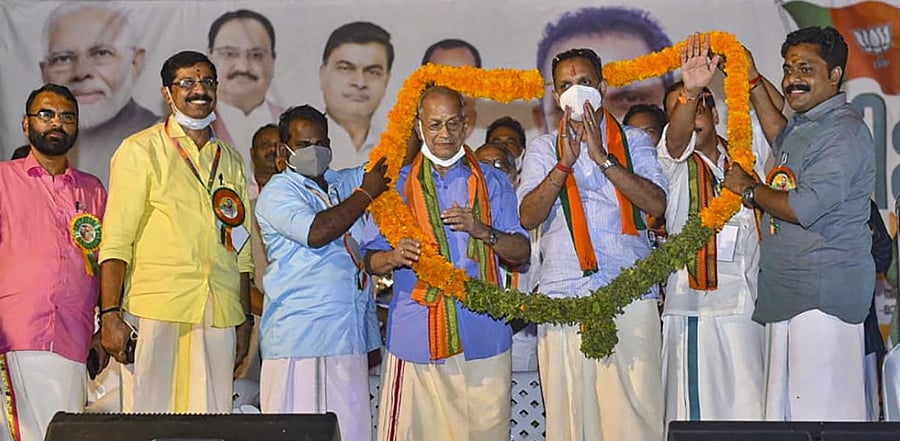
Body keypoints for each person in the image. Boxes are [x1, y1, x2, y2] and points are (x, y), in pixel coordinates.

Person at [723, 26, 875, 421]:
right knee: (787, 418)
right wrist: (752, 79)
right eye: (788, 69)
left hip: (823, 299)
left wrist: (749, 189)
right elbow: (781, 137)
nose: (792, 79)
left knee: (823, 419)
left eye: (805, 69)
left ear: (835, 75)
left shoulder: (843, 132)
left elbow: (804, 206)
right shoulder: (810, 124)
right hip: (791, 293)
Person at [362, 86, 530, 441]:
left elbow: (521, 252)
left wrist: (482, 230)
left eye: (453, 123)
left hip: (483, 334)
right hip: (416, 336)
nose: (444, 134)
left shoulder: (492, 181)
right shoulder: (396, 186)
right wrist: (393, 257)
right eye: (435, 124)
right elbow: (369, 259)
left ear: (466, 125)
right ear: (419, 127)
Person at [517, 48, 667, 441]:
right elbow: (528, 216)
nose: (576, 91)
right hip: (563, 294)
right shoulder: (543, 148)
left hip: (630, 293)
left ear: (602, 87)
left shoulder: (634, 141)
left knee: (634, 421)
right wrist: (563, 164)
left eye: (584, 82)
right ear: (555, 96)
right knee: (571, 421)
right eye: (566, 85)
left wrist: (603, 157)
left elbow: (656, 205)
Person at [98, 51, 254, 413]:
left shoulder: (230, 158)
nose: (199, 90)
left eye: (207, 82)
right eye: (187, 83)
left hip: (219, 309)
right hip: (158, 307)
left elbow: (242, 250)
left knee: (211, 418)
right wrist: (110, 315)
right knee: (153, 417)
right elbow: (117, 241)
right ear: (167, 93)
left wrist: (245, 320)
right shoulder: (140, 150)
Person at [657, 33, 783, 425]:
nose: (692, 111)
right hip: (698, 310)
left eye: (701, 105)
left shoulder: (743, 153)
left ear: (716, 114)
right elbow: (677, 140)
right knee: (699, 422)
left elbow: (781, 119)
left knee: (752, 415)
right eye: (681, 107)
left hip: (750, 306)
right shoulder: (672, 163)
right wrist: (692, 89)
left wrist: (751, 74)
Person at [256, 105, 388, 440]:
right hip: (306, 339)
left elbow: (394, 162)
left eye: (321, 143)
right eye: (303, 145)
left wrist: (418, 106)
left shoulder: (339, 183)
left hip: (347, 336)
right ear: (283, 151)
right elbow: (317, 232)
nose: (314, 152)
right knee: (309, 434)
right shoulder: (279, 191)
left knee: (350, 432)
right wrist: (365, 194)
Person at [0, 84, 107, 441]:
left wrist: (102, 328)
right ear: (26, 124)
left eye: (67, 116)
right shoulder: (4, 179)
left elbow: (105, 264)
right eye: (46, 114)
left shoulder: (93, 190)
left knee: (64, 434)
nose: (56, 123)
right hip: (15, 336)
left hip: (74, 338)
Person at [39, 3, 158, 185]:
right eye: (63, 58)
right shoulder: (33, 149)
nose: (81, 72)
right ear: (44, 72)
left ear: (135, 62)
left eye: (102, 53)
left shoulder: (159, 142)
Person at [534, 6, 674, 132]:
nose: (598, 115)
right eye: (572, 104)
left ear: (671, 106)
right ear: (541, 122)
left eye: (630, 99)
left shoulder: (637, 141)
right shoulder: (542, 148)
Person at [208, 9, 283, 197]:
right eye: (229, 54)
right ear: (210, 58)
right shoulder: (192, 129)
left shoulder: (292, 125)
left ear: (273, 61)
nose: (243, 66)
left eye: (256, 55)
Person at [319, 21, 393, 169]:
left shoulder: (398, 149)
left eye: (373, 72)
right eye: (346, 68)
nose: (360, 83)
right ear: (323, 74)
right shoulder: (301, 144)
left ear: (387, 80)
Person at [421, 39, 481, 140]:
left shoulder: (496, 135)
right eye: (444, 79)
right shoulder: (406, 140)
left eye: (464, 78)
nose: (454, 88)